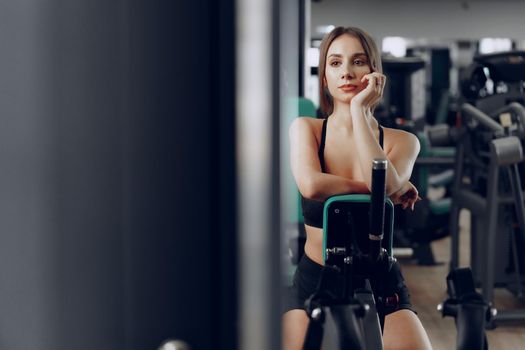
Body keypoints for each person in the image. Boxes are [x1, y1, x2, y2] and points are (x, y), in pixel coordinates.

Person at [283, 26, 433, 350]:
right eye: (335, 63)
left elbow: (389, 185)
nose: (347, 72)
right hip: (315, 279)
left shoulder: (404, 141)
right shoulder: (306, 129)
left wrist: (358, 112)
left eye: (358, 62)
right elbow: (310, 184)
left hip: (380, 279)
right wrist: (380, 187)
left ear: (374, 72)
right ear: (324, 77)